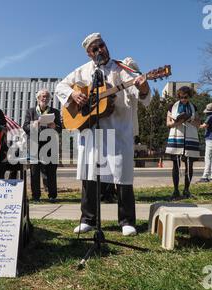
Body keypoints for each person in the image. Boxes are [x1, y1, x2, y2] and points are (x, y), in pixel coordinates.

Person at [55, 33, 151, 236]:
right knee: (90, 173)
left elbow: (139, 94)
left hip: (118, 129)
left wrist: (143, 86)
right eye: (95, 49)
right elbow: (60, 86)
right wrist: (73, 94)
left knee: (122, 174)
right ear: (90, 54)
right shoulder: (83, 71)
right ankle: (87, 219)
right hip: (92, 130)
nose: (101, 50)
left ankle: (126, 221)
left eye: (102, 45)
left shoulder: (121, 68)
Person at [23, 89, 62, 203]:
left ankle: (52, 196)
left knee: (51, 172)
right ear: (38, 98)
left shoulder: (55, 112)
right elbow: (24, 127)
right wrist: (33, 124)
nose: (45, 98)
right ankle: (36, 196)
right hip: (35, 144)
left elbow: (60, 128)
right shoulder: (30, 112)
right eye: (43, 96)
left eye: (47, 97)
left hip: (50, 145)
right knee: (34, 172)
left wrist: (55, 126)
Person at [165, 86, 200, 200]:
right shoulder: (172, 107)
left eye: (186, 97)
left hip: (190, 137)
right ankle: (175, 190)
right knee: (176, 165)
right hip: (177, 137)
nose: (184, 99)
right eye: (181, 97)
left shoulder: (194, 107)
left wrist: (189, 120)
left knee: (189, 165)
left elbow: (198, 124)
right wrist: (178, 121)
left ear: (189, 96)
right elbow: (168, 124)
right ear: (178, 96)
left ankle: (187, 190)